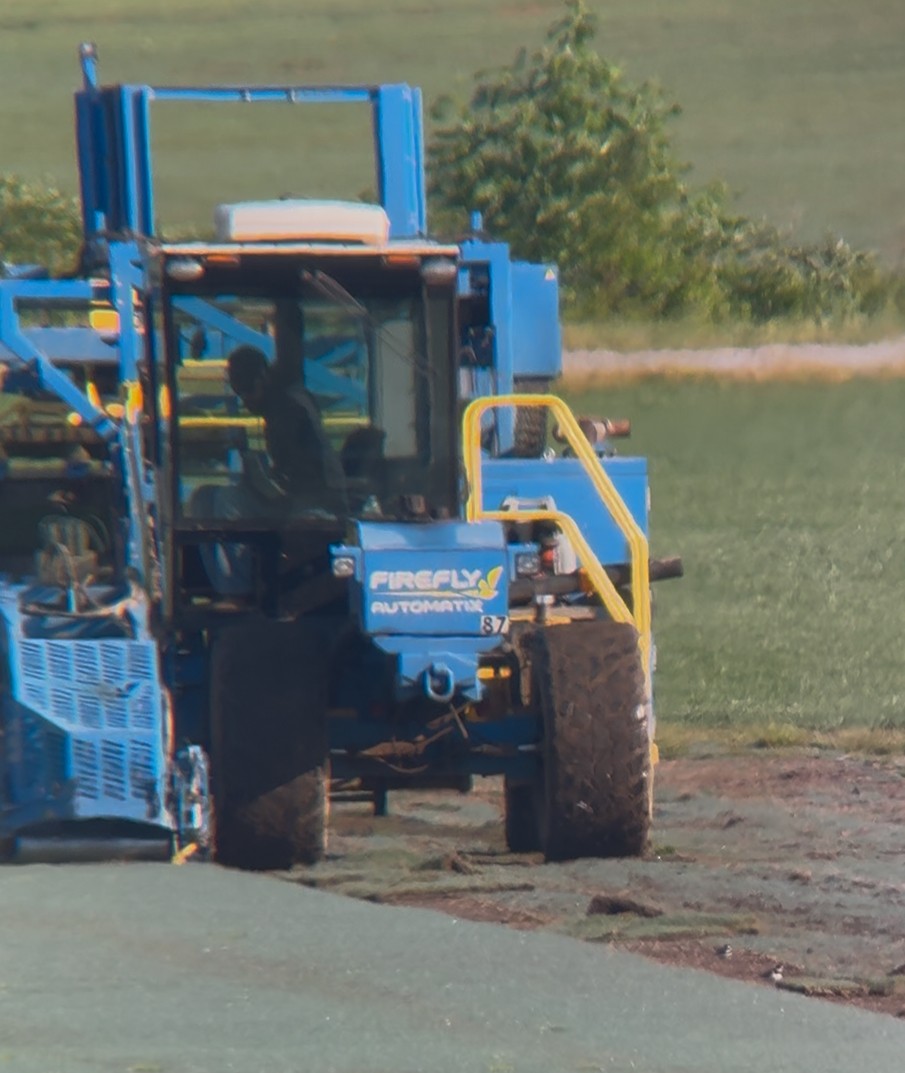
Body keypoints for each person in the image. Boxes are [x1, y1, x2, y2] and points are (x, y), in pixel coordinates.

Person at [226, 345, 347, 515]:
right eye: (240, 394)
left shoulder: (286, 412)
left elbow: (299, 473)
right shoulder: (288, 399)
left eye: (248, 390)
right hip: (317, 496)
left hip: (318, 503)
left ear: (263, 376)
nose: (246, 402)